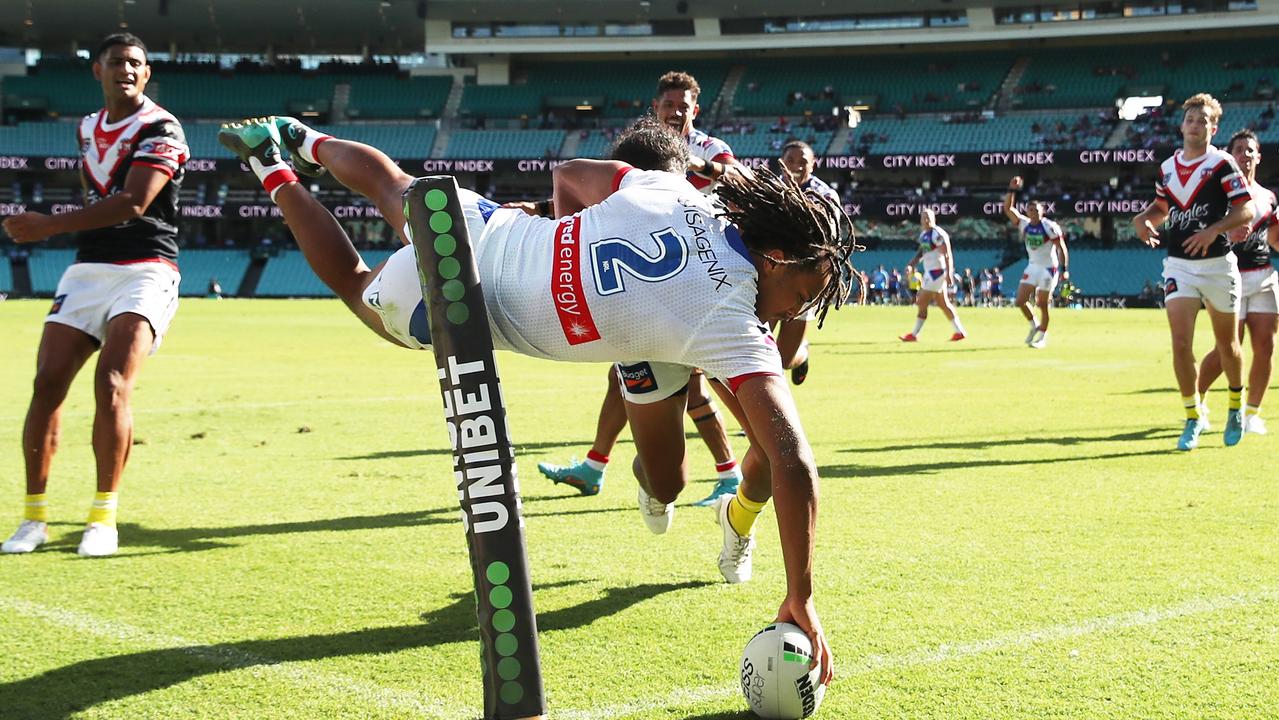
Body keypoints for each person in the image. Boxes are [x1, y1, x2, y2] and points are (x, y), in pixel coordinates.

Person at [218, 116, 850, 683]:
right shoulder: (731, 320)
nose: (802, 309)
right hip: (467, 302)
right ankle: (274, 175)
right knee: (359, 287)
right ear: (773, 258)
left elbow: (574, 175)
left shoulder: (676, 191)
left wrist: (566, 233)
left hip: (489, 225)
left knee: (392, 187)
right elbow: (791, 458)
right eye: (805, 291)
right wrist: (802, 595)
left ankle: (297, 139)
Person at [1, 34, 186, 557]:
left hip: (146, 269)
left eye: (136, 63)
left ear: (147, 74)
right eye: (116, 62)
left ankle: (103, 518)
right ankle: (33, 519)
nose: (126, 70)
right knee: (46, 385)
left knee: (111, 383)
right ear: (96, 71)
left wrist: (47, 226)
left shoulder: (162, 128)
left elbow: (134, 202)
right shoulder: (85, 127)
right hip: (88, 270)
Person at [541, 76, 751, 504]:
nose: (676, 110)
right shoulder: (642, 152)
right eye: (668, 103)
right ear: (654, 106)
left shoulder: (708, 149)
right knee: (626, 374)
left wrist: (692, 164)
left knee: (696, 380)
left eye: (684, 104)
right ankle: (595, 465)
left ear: (697, 108)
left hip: (699, 277)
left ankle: (732, 472)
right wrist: (541, 210)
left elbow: (740, 177)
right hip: (647, 276)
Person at [1133, 93, 1254, 450]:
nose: (1195, 125)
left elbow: (1244, 210)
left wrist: (1213, 230)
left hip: (1218, 265)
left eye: (1203, 121)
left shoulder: (1222, 163)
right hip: (1179, 266)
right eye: (1190, 120)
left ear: (1213, 128)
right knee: (1181, 343)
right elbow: (1160, 207)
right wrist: (1142, 220)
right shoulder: (1167, 167)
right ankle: (1192, 415)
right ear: (1181, 125)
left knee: (1228, 345)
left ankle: (1235, 404)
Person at [1196, 129, 1279, 435]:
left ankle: (1251, 414)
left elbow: (1274, 238)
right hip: (1227, 276)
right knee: (1226, 349)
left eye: (1250, 150)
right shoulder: (1216, 194)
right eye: (1239, 149)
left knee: (1265, 347)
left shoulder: (1269, 197)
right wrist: (1225, 233)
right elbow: (1201, 231)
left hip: (1264, 275)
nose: (1245, 155)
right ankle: (1197, 403)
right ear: (1229, 155)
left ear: (1259, 156)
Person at [775, 139, 840, 386]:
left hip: (804, 277)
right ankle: (757, 423)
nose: (796, 166)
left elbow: (826, 239)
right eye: (790, 160)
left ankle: (801, 354)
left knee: (783, 359)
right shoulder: (767, 189)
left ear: (813, 165)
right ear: (781, 163)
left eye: (803, 161)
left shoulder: (825, 195)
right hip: (769, 275)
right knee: (757, 352)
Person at [1003, 177, 1069, 348]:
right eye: (1031, 210)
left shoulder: (1050, 227)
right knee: (1020, 301)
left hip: (1049, 268)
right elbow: (1008, 208)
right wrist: (1012, 190)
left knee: (1042, 303)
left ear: (1042, 212)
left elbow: (1061, 247)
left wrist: (1064, 269)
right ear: (1028, 212)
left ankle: (1042, 338)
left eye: (1037, 210)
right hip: (1032, 266)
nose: (1034, 212)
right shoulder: (1024, 224)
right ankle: (1034, 326)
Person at [899, 209, 967, 342]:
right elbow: (921, 252)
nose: (925, 220)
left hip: (937, 272)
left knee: (921, 301)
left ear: (934, 219)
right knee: (943, 303)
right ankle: (960, 332)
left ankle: (914, 334)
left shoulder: (937, 234)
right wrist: (911, 264)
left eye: (928, 217)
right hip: (931, 272)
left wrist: (949, 273)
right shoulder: (924, 234)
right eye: (923, 217)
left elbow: (947, 254)